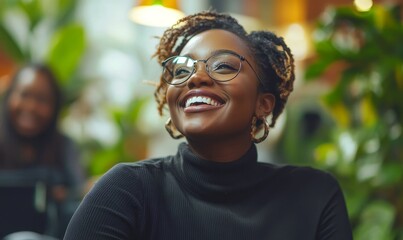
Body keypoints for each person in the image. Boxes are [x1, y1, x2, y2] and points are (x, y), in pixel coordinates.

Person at [64, 11, 353, 239]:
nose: (195, 77)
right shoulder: (127, 191)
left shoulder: (313, 196)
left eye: (224, 66)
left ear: (263, 104)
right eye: (181, 70)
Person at [0, 63, 86, 239]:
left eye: (42, 100)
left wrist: (64, 196)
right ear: (10, 97)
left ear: (55, 107)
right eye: (24, 95)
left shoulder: (65, 147)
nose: (31, 107)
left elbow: (80, 200)